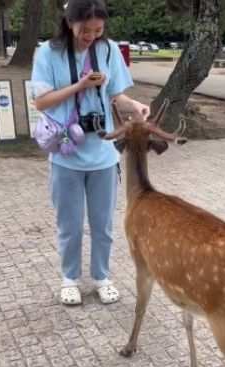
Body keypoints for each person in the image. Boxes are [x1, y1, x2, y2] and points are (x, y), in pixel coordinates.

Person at [31, 0, 150, 305]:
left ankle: (101, 276)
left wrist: (134, 107)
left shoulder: (107, 50)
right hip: (66, 152)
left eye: (98, 30)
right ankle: (69, 279)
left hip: (103, 154)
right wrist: (80, 85)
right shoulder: (48, 52)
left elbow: (116, 95)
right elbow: (41, 101)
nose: (91, 36)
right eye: (85, 29)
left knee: (103, 224)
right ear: (69, 22)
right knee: (69, 224)